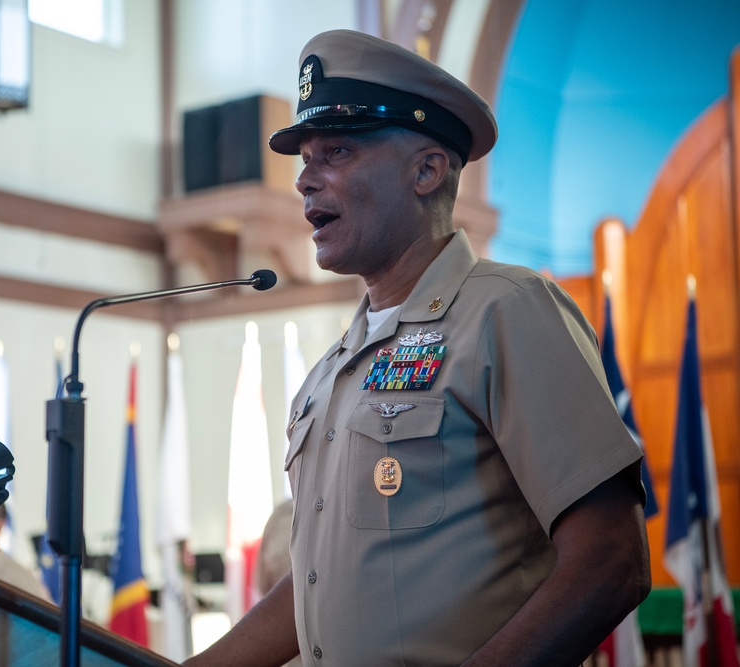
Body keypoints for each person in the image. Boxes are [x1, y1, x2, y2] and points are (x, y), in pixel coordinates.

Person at [184, 29, 650, 666]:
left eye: (337, 152)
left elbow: (611, 559)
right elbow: (320, 581)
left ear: (428, 170)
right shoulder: (334, 369)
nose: (305, 181)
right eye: (305, 159)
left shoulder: (506, 311)